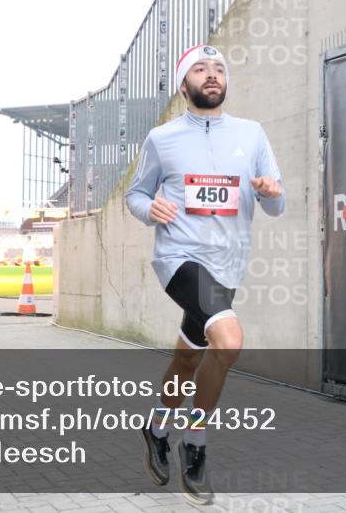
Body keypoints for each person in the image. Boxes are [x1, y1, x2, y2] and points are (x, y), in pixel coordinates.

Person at [126, 44, 284, 505]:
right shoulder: (162, 138)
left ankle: (156, 429)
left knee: (189, 360)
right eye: (200, 68)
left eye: (219, 69)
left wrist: (272, 191)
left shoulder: (252, 135)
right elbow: (136, 195)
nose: (211, 75)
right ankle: (194, 443)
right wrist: (150, 209)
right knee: (230, 341)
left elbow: (277, 203)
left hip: (227, 263)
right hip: (180, 258)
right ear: (183, 85)